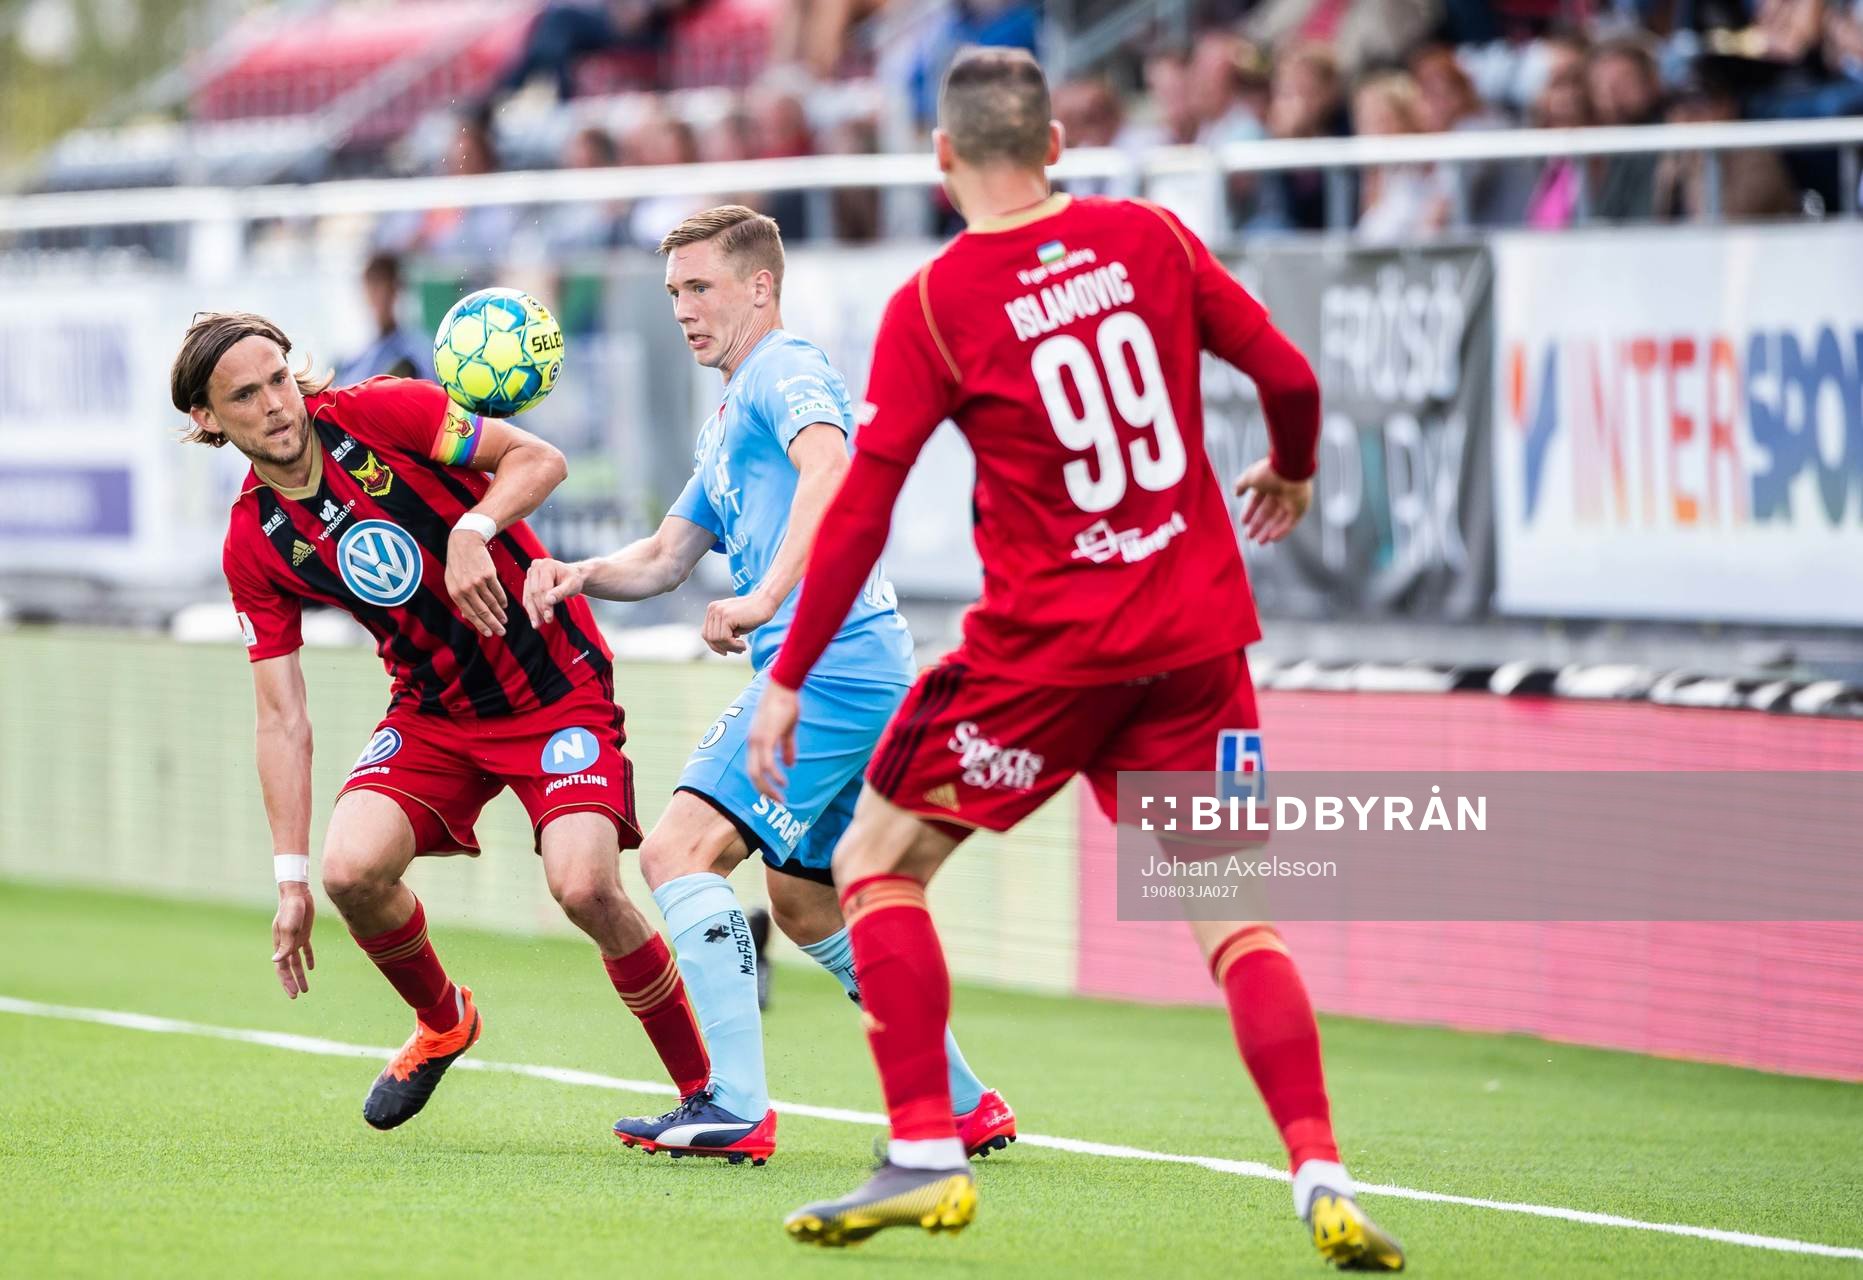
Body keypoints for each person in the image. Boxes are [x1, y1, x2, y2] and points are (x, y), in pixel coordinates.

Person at [744, 48, 1406, 1270]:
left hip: (1050, 657)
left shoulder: (939, 304)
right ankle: (1321, 1168)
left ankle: (927, 1153)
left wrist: (786, 678)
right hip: (1199, 647)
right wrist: (1294, 470)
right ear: (1055, 147)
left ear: (943, 164)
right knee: (1236, 922)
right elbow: (1291, 378)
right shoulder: (1153, 237)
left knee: (873, 861)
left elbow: (865, 508)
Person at [521, 207, 1015, 1165]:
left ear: (760, 286)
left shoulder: (785, 368)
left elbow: (833, 472)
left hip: (828, 664)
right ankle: (963, 1103)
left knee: (676, 852)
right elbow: (666, 556)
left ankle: (734, 1104)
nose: (683, 310)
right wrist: (578, 575)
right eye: (672, 293)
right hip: (855, 665)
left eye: (700, 287)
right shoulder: (729, 411)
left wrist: (762, 598)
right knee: (807, 901)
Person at [171, 313, 712, 1133]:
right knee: (348, 873)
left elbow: (541, 458)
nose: (276, 405)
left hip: (553, 688)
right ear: (209, 420)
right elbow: (281, 720)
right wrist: (288, 882)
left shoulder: (379, 413)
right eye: (245, 396)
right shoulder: (254, 541)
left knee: (585, 886)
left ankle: (709, 1096)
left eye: (279, 379)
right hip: (433, 711)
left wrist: (473, 526)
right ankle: (442, 1020)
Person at [335, 254, 434, 386]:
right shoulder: (355, 360)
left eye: (380, 286)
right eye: (371, 286)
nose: (376, 296)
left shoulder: (417, 353)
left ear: (396, 289)